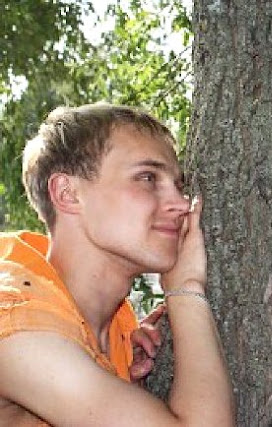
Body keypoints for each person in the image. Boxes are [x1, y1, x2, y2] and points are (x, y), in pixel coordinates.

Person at [0, 103, 235, 425]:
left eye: (179, 186)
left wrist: (122, 376)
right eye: (147, 178)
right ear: (67, 193)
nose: (181, 204)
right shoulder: (14, 317)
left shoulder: (117, 331)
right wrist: (185, 289)